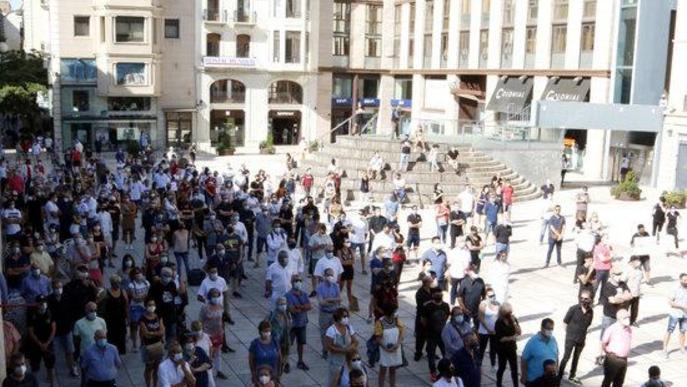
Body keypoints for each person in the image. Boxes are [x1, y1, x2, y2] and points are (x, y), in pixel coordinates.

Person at [558, 290, 593, 385]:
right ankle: (559, 376)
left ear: (590, 299)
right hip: (571, 338)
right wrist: (570, 334)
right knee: (566, 357)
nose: (583, 300)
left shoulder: (590, 311)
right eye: (581, 298)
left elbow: (588, 324)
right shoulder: (573, 309)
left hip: (581, 339)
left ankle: (572, 375)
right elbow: (565, 322)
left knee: (576, 358)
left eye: (586, 298)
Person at [324, 308, 359, 386]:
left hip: (348, 360)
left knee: (348, 381)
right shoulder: (331, 330)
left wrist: (350, 348)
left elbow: (355, 341)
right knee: (334, 381)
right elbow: (328, 347)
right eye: (344, 316)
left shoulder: (349, 327)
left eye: (347, 316)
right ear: (338, 318)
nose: (346, 318)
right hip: (336, 361)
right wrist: (343, 350)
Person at [26, 295, 56, 385]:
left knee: (50, 366)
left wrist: (47, 343)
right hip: (35, 345)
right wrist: (40, 344)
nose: (42, 304)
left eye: (44, 302)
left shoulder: (50, 312)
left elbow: (53, 329)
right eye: (40, 303)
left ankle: (52, 384)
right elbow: (30, 331)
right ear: (36, 304)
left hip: (48, 344)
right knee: (35, 367)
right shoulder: (32, 314)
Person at [285, 274, 312, 370]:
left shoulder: (303, 294)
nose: (298, 282)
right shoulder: (288, 295)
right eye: (296, 280)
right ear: (292, 282)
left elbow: (309, 306)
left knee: (301, 344)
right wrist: (302, 306)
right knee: (288, 344)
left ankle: (300, 361)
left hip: (302, 323)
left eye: (300, 280)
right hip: (292, 325)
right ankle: (286, 362)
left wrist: (299, 306)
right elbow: (292, 310)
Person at [521, 318, 559, 387]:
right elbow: (524, 359)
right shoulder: (532, 342)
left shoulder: (553, 340)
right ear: (542, 328)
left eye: (551, 329)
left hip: (549, 380)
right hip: (534, 381)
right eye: (548, 328)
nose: (550, 331)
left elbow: (556, 356)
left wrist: (556, 370)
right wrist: (524, 375)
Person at [423, 287, 450, 381]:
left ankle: (446, 371)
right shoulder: (427, 306)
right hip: (431, 335)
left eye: (440, 292)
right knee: (431, 355)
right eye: (436, 293)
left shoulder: (446, 306)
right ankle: (433, 372)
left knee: (446, 354)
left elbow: (446, 317)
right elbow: (423, 320)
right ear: (432, 295)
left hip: (443, 335)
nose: (438, 294)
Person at [199, 287, 226, 379]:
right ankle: (207, 371)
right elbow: (201, 320)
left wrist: (222, 332)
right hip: (208, 334)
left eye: (217, 296)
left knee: (218, 353)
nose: (216, 298)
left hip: (218, 333)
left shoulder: (220, 306)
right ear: (210, 297)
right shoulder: (205, 307)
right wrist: (201, 334)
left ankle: (219, 370)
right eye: (214, 296)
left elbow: (221, 320)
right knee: (209, 353)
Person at [601, 309, 632, 387]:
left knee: (619, 382)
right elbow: (604, 342)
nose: (628, 319)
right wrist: (608, 352)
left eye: (628, 317)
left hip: (624, 359)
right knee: (607, 381)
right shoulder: (612, 329)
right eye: (625, 317)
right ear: (619, 319)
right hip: (613, 359)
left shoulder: (628, 329)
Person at [375, 304, 404, 387]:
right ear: (390, 312)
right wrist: (386, 348)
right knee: (383, 369)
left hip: (395, 348)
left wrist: (398, 344)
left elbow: (401, 333)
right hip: (384, 349)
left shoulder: (396, 320)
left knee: (393, 369)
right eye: (394, 311)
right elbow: (378, 338)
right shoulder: (380, 322)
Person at [140, 299, 165, 387]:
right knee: (149, 367)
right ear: (146, 306)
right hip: (147, 346)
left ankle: (155, 384)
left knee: (157, 367)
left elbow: (162, 331)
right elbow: (146, 334)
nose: (152, 307)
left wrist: (152, 333)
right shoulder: (143, 319)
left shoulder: (158, 316)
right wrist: (157, 333)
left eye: (153, 305)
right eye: (149, 305)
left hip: (158, 345)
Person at [494, 303, 520, 387]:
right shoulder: (499, 322)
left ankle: (516, 385)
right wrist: (512, 337)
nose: (510, 314)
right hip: (502, 349)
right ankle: (498, 383)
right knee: (502, 367)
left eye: (510, 312)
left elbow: (519, 332)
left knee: (514, 369)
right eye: (508, 313)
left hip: (512, 348)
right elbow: (501, 338)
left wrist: (514, 323)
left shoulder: (513, 319)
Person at [317, 267, 341, 357]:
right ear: (324, 276)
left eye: (332, 275)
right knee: (324, 333)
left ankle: (333, 349)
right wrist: (333, 301)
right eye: (328, 275)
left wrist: (329, 299)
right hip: (325, 314)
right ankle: (325, 350)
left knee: (335, 332)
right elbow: (322, 302)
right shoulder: (320, 287)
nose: (330, 277)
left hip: (334, 313)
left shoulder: (336, 286)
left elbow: (339, 299)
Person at [249, 320, 282, 385]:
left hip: (273, 374)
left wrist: (279, 373)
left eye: (269, 331)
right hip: (260, 375)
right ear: (260, 331)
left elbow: (280, 358)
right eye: (265, 331)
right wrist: (253, 374)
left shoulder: (275, 341)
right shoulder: (255, 344)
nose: (267, 333)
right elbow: (251, 361)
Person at [662, 273, 687, 358]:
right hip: (675, 314)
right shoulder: (675, 289)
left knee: (683, 331)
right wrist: (682, 306)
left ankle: (682, 348)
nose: (686, 282)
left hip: (685, 314)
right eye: (684, 280)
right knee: (669, 330)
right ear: (680, 280)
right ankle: (664, 349)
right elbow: (670, 302)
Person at [268, 297, 292, 374]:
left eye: (284, 303)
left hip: (285, 338)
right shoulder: (274, 315)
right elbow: (272, 330)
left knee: (285, 355)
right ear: (277, 305)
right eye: (281, 304)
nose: (283, 305)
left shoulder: (287, 313)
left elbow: (289, 325)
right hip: (277, 340)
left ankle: (282, 367)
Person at [477, 287, 499, 371]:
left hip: (494, 331)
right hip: (484, 331)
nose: (492, 297)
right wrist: (488, 329)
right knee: (482, 349)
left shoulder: (497, 303)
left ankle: (493, 365)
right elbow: (481, 318)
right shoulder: (483, 304)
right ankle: (479, 365)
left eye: (493, 295)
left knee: (493, 349)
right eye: (490, 296)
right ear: (486, 296)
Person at [457, 264, 485, 329]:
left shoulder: (481, 281)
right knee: (465, 328)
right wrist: (464, 308)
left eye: (477, 271)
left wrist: (481, 307)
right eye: (474, 272)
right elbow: (459, 297)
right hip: (466, 311)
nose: (476, 273)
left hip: (477, 311)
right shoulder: (464, 282)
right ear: (469, 272)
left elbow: (484, 295)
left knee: (478, 327)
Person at [414, 274, 434, 361]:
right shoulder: (420, 293)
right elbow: (421, 305)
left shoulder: (433, 290)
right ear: (426, 283)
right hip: (422, 317)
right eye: (430, 281)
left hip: (431, 317)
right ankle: (418, 353)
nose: (432, 282)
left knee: (431, 337)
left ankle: (430, 352)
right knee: (420, 337)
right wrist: (431, 302)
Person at [447, 237, 470, 305]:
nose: (462, 243)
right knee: (453, 289)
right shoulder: (452, 252)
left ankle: (463, 303)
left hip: (464, 274)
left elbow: (468, 262)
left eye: (463, 241)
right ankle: (452, 302)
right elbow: (449, 263)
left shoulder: (467, 252)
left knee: (463, 289)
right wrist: (449, 272)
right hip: (455, 274)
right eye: (460, 241)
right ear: (456, 243)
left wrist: (467, 270)